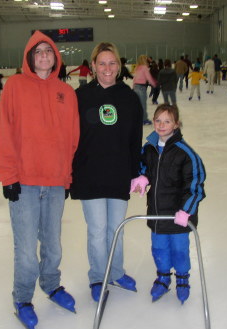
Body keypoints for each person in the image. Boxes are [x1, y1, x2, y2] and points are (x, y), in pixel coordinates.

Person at [0, 30, 79, 329]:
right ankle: (23, 299)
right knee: (27, 249)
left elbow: (71, 139)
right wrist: (8, 176)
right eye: (38, 51)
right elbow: (3, 131)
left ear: (56, 57)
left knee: (53, 245)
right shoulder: (15, 86)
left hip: (55, 182)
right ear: (30, 57)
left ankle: (52, 286)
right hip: (25, 183)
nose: (44, 55)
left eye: (49, 51)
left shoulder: (66, 92)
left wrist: (67, 177)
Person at [70, 41, 143, 302]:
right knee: (98, 229)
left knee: (116, 228)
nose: (107, 68)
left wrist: (137, 173)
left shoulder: (130, 98)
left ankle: (117, 271)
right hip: (89, 174)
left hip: (119, 174)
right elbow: (70, 138)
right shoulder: (80, 97)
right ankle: (98, 276)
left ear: (119, 66)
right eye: (102, 63)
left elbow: (136, 139)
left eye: (112, 63)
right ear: (93, 66)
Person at [130, 103, 206, 304]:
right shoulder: (149, 148)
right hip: (157, 214)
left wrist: (186, 211)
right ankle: (163, 277)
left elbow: (196, 184)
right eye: (158, 120)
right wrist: (142, 178)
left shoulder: (185, 153)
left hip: (179, 216)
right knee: (159, 248)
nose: (161, 125)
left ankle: (182, 279)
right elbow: (142, 166)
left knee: (180, 249)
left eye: (167, 121)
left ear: (176, 124)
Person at [133, 54, 157, 125]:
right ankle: (144, 119)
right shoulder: (144, 67)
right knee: (143, 104)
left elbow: (135, 78)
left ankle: (137, 118)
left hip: (136, 87)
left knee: (138, 104)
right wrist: (154, 84)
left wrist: (133, 87)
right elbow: (148, 77)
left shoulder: (137, 67)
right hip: (141, 87)